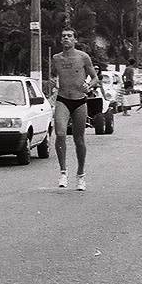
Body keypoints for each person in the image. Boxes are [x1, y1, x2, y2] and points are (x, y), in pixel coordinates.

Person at [47, 32, 98, 190]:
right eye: (63, 36)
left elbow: (95, 77)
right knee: (60, 134)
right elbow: (52, 75)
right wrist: (53, 80)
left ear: (75, 39)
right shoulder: (56, 58)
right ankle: (63, 172)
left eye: (69, 36)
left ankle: (81, 175)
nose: (66, 38)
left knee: (79, 139)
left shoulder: (83, 57)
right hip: (63, 99)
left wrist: (88, 86)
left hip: (80, 101)